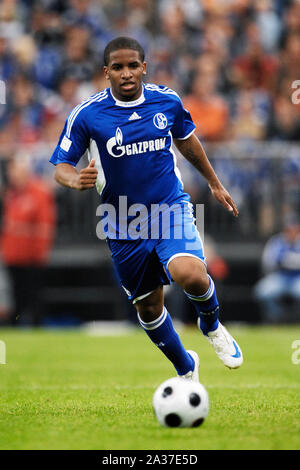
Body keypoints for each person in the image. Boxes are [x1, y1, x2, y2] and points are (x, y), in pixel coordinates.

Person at [50, 37, 243, 381]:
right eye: (119, 68)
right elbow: (62, 165)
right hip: (121, 220)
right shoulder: (87, 114)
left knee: (192, 274)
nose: (127, 73)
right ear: (106, 72)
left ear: (144, 68)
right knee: (149, 307)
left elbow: (186, 139)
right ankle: (186, 367)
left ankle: (212, 325)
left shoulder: (166, 101)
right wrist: (75, 179)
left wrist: (214, 183)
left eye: (133, 66)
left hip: (169, 208)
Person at [0, 155, 56, 326]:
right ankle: (17, 324)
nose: (14, 176)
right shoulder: (11, 194)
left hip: (32, 256)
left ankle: (36, 325)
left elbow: (45, 226)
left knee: (34, 294)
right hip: (13, 255)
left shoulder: (39, 192)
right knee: (17, 294)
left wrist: (40, 252)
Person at [254, 216, 300, 323]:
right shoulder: (277, 242)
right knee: (262, 292)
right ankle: (278, 318)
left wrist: (288, 260)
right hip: (281, 277)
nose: (292, 232)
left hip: (298, 278)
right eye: (289, 230)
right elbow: (269, 262)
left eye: (295, 229)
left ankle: (296, 319)